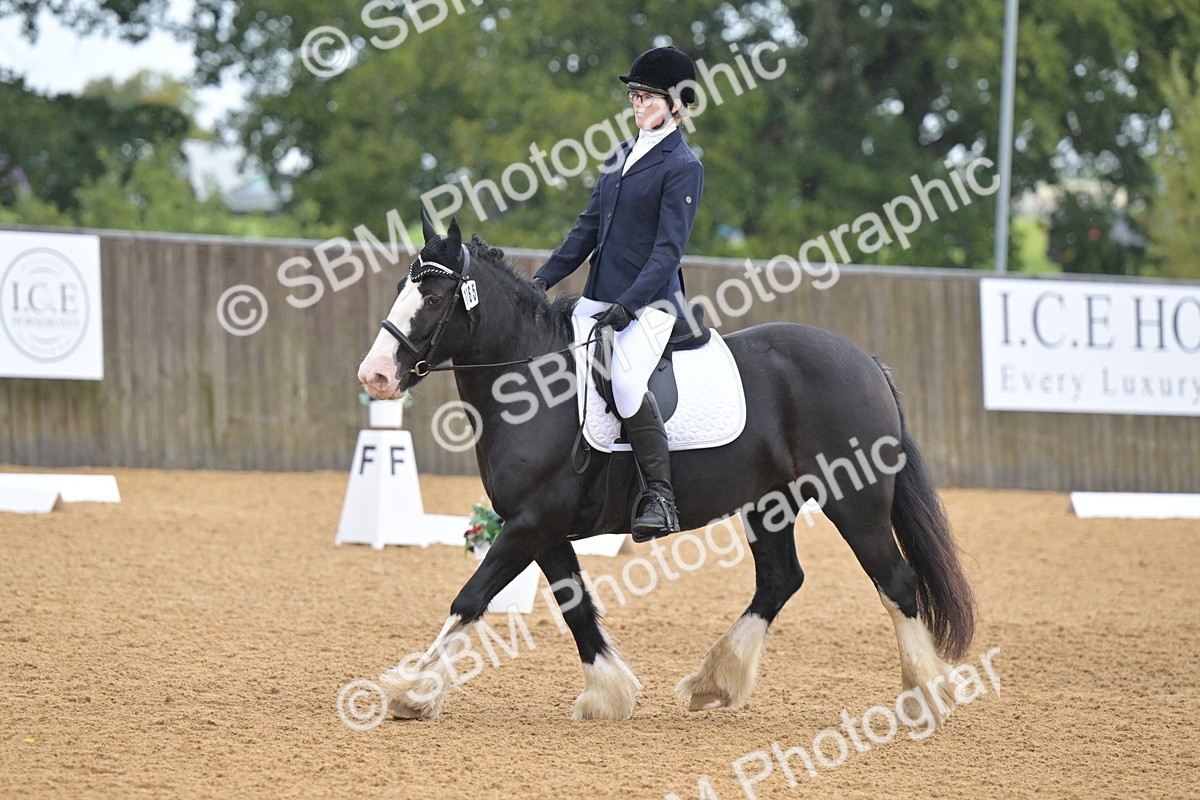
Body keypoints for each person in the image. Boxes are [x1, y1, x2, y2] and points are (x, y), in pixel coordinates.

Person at [531, 45, 704, 540]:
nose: (638, 104)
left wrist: (628, 305)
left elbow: (667, 252)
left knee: (625, 384)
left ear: (677, 104)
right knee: (559, 369)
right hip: (598, 297)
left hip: (650, 304)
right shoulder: (620, 155)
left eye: (649, 97)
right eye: (635, 95)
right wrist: (542, 279)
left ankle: (660, 496)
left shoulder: (683, 165)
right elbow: (586, 230)